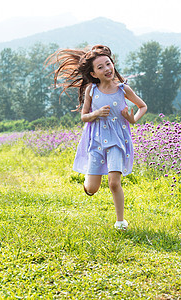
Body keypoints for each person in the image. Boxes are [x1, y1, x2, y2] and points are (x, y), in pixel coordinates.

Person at [47, 45, 147, 230]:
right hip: (97, 142)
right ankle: (89, 183)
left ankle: (120, 221)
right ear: (93, 74)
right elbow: (84, 116)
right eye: (100, 67)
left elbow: (143, 107)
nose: (106, 69)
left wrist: (132, 119)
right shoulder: (91, 91)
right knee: (92, 189)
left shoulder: (123, 89)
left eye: (108, 64)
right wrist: (97, 113)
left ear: (113, 64)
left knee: (114, 183)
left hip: (118, 141)